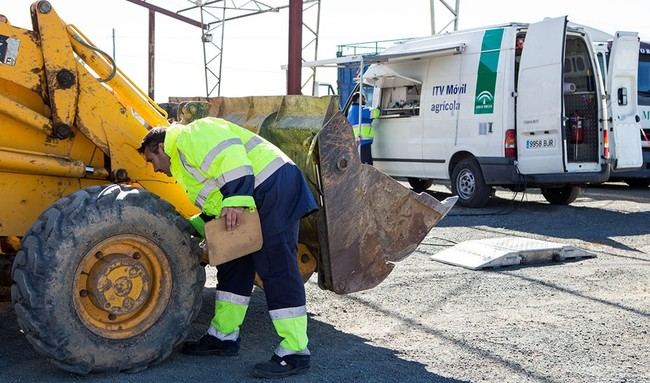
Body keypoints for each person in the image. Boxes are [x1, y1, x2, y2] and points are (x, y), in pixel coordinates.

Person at [138, 116, 318, 378]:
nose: (153, 169)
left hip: (272, 186)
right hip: (251, 195)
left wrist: (235, 199)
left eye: (150, 160)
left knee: (276, 265)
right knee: (232, 264)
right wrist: (188, 227)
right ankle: (222, 337)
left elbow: (231, 156)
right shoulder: (183, 165)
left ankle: (295, 352)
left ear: (158, 147)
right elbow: (213, 204)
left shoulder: (191, 135)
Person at [347, 92, 380, 165]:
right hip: (364, 141)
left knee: (361, 163)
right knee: (367, 164)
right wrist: (378, 109)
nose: (365, 101)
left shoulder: (351, 110)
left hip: (358, 142)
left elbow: (365, 120)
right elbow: (374, 113)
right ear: (359, 99)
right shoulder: (360, 109)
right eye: (363, 99)